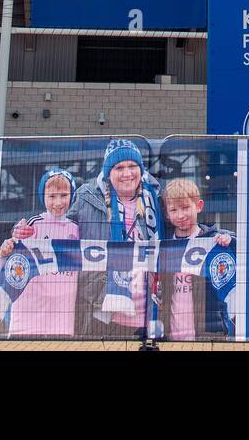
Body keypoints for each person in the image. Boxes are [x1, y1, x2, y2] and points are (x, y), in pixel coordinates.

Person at [67, 138, 162, 338]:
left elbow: (183, 228)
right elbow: (62, 231)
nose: (127, 173)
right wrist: (26, 233)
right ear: (108, 173)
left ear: (141, 169)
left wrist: (219, 236)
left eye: (132, 166)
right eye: (119, 167)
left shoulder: (154, 198)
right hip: (104, 309)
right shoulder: (87, 198)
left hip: (149, 310)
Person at [0, 169, 79, 337]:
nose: (58, 202)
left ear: (72, 195)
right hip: (30, 313)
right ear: (43, 197)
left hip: (61, 314)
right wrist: (7, 250)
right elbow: (13, 260)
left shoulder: (76, 229)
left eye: (63, 195)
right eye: (52, 196)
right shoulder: (33, 224)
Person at [158, 178, 235, 341]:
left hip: (209, 334)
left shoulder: (214, 241)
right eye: (173, 210)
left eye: (185, 207)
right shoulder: (164, 246)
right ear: (166, 213)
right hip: (170, 337)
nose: (180, 215)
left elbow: (241, 244)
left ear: (199, 206)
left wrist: (229, 240)